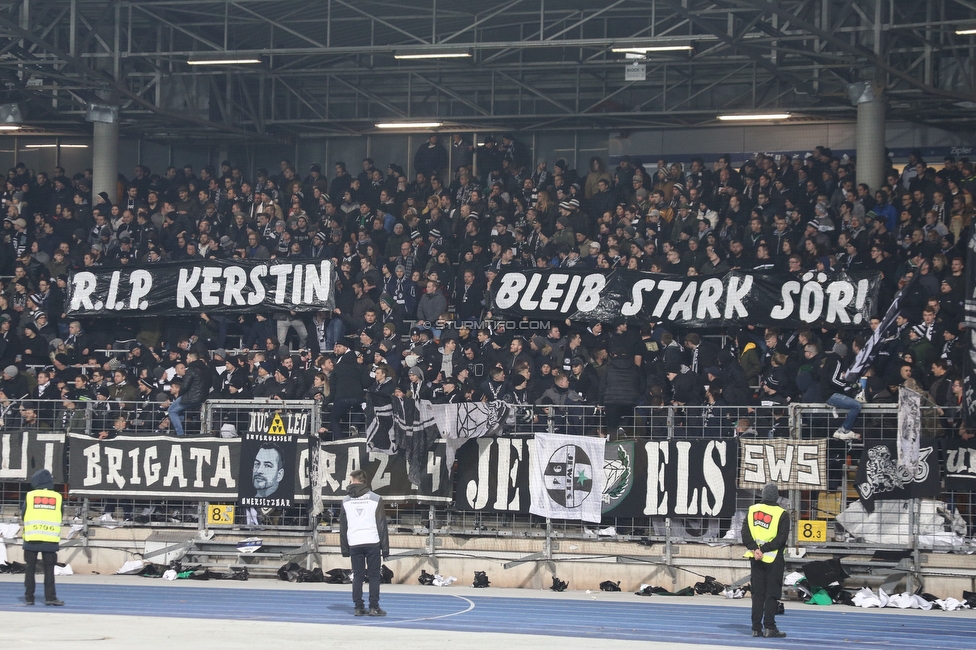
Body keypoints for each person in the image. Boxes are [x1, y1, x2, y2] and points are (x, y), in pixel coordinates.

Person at [742, 482, 790, 638]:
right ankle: (769, 627)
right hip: (773, 558)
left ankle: (756, 628)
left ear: (762, 495)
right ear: (776, 496)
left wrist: (755, 549)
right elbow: (781, 539)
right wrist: (764, 550)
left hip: (755, 557)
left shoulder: (752, 510)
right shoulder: (782, 513)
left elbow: (745, 533)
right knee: (771, 594)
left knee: (757, 594)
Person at [340, 468, 390, 617]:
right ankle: (374, 607)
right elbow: (382, 525)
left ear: (354, 480)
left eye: (350, 480)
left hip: (354, 542)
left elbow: (343, 526)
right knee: (374, 576)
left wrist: (344, 548)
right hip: (372, 541)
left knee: (358, 576)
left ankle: (358, 607)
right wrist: (385, 549)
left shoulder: (345, 500)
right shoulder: (375, 498)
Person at [22, 468, 65, 606]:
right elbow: (61, 513)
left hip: (31, 538)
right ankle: (50, 597)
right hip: (50, 539)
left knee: (30, 568)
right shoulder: (57, 497)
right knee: (49, 569)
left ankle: (29, 598)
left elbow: (23, 513)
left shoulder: (30, 496)